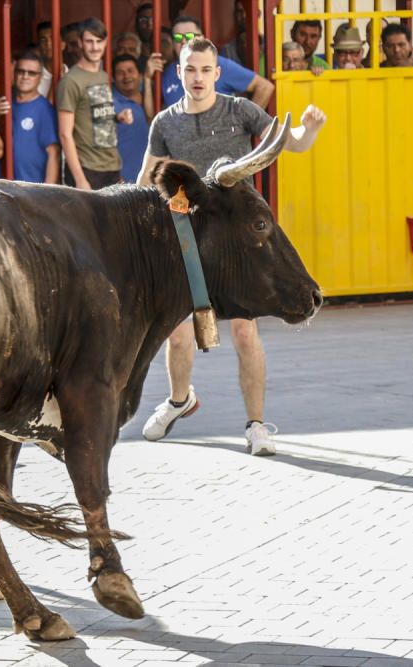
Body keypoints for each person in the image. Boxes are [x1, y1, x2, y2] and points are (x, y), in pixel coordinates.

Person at [136, 37, 327, 456]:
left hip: (238, 244)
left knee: (243, 331)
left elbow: (288, 141)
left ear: (218, 73)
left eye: (205, 70)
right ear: (179, 73)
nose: (198, 77)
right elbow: (145, 179)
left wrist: (309, 130)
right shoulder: (165, 123)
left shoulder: (240, 110)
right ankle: (179, 399)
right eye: (190, 70)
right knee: (181, 334)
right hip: (187, 241)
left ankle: (257, 426)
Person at [56, 17, 126, 190]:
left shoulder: (103, 75)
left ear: (106, 42)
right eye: (89, 41)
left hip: (111, 165)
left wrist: (117, 117)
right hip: (87, 169)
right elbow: (65, 134)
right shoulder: (70, 81)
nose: (95, 47)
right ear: (80, 43)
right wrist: (80, 179)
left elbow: (93, 115)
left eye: (99, 41)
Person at [152, 15, 273, 109]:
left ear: (201, 38)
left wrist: (246, 125)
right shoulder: (169, 72)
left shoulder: (219, 65)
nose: (183, 42)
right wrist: (147, 78)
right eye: (178, 38)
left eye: (189, 36)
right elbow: (153, 116)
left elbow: (265, 87)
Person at [0, 50, 60, 184]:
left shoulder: (45, 110)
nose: (25, 76)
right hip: (1, 188)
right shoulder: (2, 105)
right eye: (21, 71)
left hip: (32, 191)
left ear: (40, 77)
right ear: (14, 74)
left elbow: (53, 154)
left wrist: (47, 192)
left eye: (31, 73)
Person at [112, 54, 152, 183]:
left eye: (130, 71)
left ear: (139, 75)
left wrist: (147, 79)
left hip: (148, 181)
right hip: (122, 182)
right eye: (120, 73)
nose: (126, 76)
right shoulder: (112, 104)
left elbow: (151, 118)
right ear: (113, 78)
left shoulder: (150, 99)